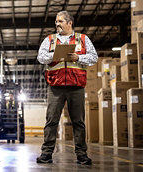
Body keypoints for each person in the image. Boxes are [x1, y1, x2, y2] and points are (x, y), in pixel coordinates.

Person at [36, 11, 98, 165]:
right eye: (56, 21)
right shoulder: (49, 40)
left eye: (61, 21)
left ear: (70, 23)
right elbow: (40, 57)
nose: (57, 24)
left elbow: (94, 57)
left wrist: (79, 58)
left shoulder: (83, 39)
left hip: (76, 86)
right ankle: (46, 153)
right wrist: (54, 55)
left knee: (78, 122)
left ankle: (82, 155)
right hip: (55, 86)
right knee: (51, 121)